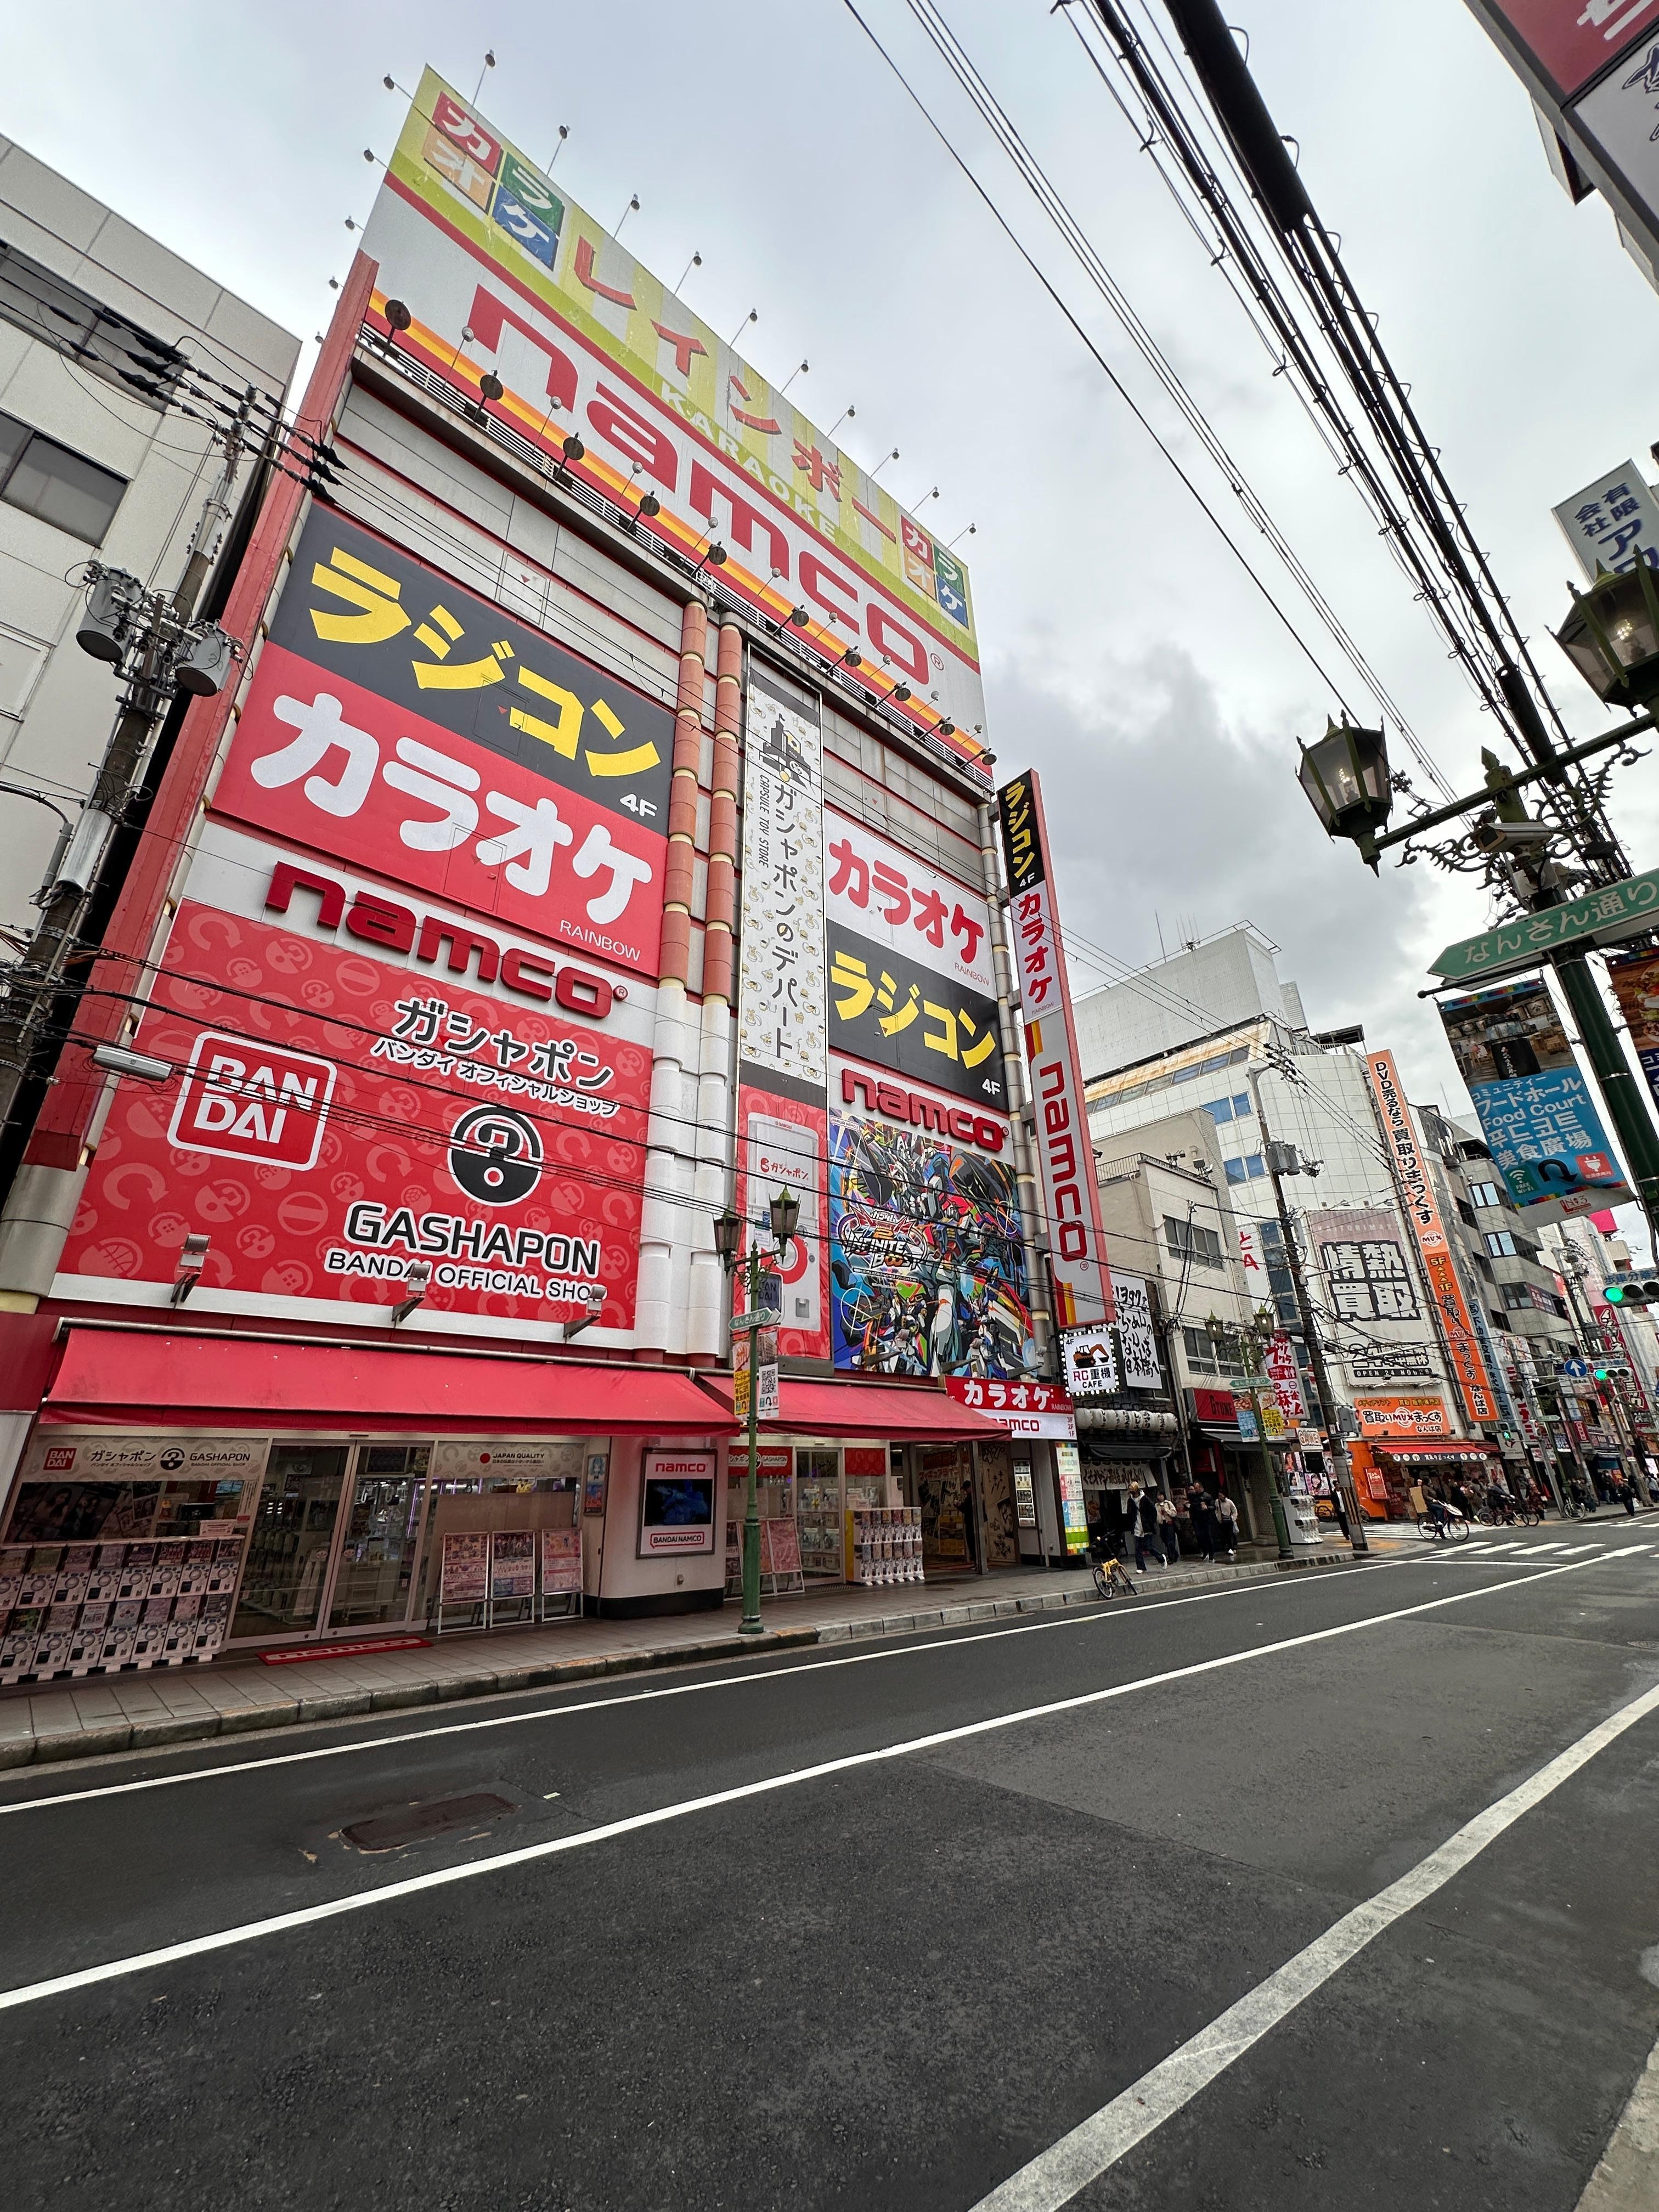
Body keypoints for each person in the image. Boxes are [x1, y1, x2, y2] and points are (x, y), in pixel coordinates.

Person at [1128, 1482, 1163, 1571]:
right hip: (1137, 1527)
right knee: (1137, 1549)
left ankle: (1161, 1558)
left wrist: (1150, 1522)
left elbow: (1154, 1512)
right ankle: (1141, 1567)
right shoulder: (1130, 1500)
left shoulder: (1145, 1499)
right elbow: (1130, 1513)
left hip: (1146, 1527)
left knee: (1149, 1547)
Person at [1189, 1487, 1216, 1562]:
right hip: (1197, 1520)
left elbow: (1213, 1506)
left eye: (1196, 1488)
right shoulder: (1193, 1497)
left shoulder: (1207, 1496)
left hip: (1206, 1519)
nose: (1195, 1490)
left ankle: (1211, 1555)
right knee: (1199, 1536)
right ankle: (1205, 1552)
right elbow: (1192, 1507)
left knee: (1208, 1536)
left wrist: (1207, 1507)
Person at [1214, 1489, 1240, 1560]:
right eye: (1219, 1495)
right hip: (1222, 1520)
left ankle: (1232, 1547)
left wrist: (1233, 1518)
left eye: (1221, 1495)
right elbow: (1216, 1510)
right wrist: (1218, 1518)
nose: (1220, 1497)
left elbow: (1234, 1510)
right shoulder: (1217, 1502)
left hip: (1229, 1520)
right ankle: (1227, 1547)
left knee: (1230, 1534)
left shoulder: (1229, 1502)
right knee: (1224, 1534)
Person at [1157, 1491, 1181, 1565]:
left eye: (1161, 1495)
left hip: (1169, 1523)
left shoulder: (1168, 1503)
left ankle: (1171, 1558)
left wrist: (1166, 1511)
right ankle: (1175, 1554)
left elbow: (1174, 1513)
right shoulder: (1156, 1505)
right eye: (1159, 1495)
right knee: (1165, 1540)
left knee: (1170, 1541)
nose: (1160, 1497)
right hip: (1162, 1524)